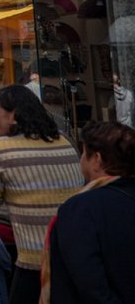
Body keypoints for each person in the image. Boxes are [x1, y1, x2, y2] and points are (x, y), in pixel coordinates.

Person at [0, 84, 83, 304]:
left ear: (14, 116)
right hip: (74, 257)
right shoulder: (66, 141)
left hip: (34, 259)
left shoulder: (0, 149)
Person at [45, 122, 135, 304]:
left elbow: (89, 282)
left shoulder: (80, 209)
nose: (82, 160)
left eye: (84, 154)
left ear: (97, 160)